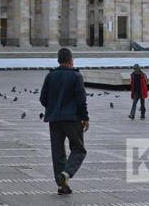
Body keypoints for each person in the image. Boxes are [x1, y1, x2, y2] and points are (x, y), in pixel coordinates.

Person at [40, 48, 89, 195]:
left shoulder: (50, 76)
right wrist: (85, 118)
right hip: (72, 119)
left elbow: (43, 99)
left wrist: (54, 108)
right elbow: (81, 100)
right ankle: (66, 174)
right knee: (79, 149)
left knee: (58, 152)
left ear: (58, 60)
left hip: (54, 120)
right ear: (71, 60)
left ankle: (62, 185)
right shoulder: (76, 76)